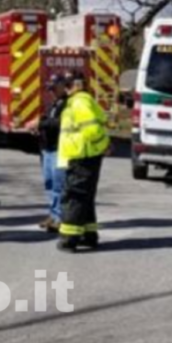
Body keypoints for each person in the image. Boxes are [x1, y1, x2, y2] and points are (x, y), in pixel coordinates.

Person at [57, 70, 111, 252]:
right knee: (85, 197)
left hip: (83, 155)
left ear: (72, 86)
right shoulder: (80, 101)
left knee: (74, 196)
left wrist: (102, 145)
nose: (64, 89)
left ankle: (69, 239)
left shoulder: (79, 102)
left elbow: (92, 130)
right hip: (85, 155)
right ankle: (89, 235)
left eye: (66, 85)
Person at [22, 73, 70, 232]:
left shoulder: (67, 104)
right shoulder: (54, 103)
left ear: (63, 86)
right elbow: (48, 120)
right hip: (47, 149)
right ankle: (53, 214)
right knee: (49, 184)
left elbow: (59, 123)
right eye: (50, 89)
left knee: (58, 185)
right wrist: (38, 128)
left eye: (54, 88)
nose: (51, 91)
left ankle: (60, 218)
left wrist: (40, 123)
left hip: (58, 149)